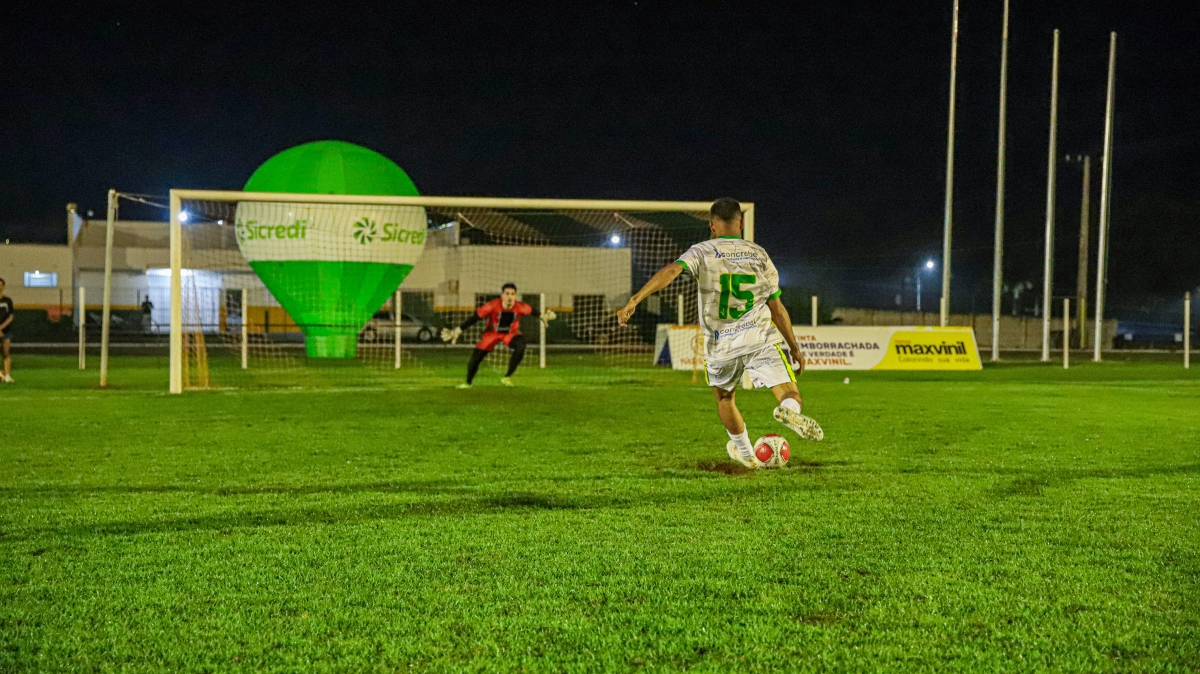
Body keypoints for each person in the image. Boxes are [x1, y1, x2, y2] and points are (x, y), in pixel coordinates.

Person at [616, 198, 823, 469]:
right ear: (741, 223)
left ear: (712, 225)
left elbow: (672, 271)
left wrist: (636, 299)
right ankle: (788, 411)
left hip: (721, 344)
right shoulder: (759, 254)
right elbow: (776, 307)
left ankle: (746, 454)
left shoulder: (702, 251)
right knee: (790, 393)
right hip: (759, 338)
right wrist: (794, 348)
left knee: (725, 398)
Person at [442, 283, 555, 388]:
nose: (510, 297)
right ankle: (468, 383)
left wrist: (543, 316)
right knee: (476, 357)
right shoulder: (492, 305)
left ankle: (507, 377)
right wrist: (458, 330)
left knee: (521, 345)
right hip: (492, 333)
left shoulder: (520, 307)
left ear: (515, 296)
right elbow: (475, 318)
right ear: (502, 295)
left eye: (512, 294)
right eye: (507, 294)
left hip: (510, 333)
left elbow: (533, 311)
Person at [0, 278, 14, 383]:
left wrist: (1, 328)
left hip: (6, 331)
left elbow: (11, 316)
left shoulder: (7, 301)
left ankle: (8, 376)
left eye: (1, 285)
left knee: (6, 353)